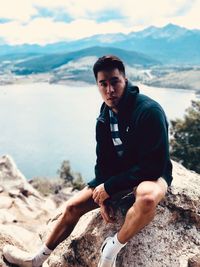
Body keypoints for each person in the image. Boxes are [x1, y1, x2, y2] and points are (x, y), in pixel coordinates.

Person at [3, 55, 173, 267]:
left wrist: (110, 187)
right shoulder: (105, 116)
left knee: (147, 198)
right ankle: (36, 260)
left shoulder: (148, 111)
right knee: (72, 207)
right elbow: (104, 163)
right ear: (97, 85)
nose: (109, 90)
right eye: (103, 84)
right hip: (121, 175)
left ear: (125, 80)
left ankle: (111, 249)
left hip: (153, 174)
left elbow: (153, 166)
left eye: (115, 81)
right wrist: (103, 197)